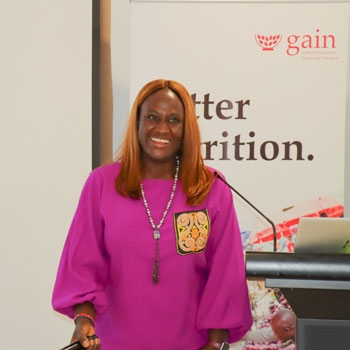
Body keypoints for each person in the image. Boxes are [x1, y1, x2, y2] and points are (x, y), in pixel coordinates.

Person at [52, 79, 253, 350]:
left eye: (173, 120)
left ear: (186, 129)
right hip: (113, 343)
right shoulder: (102, 184)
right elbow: (82, 264)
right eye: (152, 117)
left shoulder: (212, 187)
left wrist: (215, 344)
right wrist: (84, 320)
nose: (162, 129)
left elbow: (225, 274)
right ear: (137, 123)